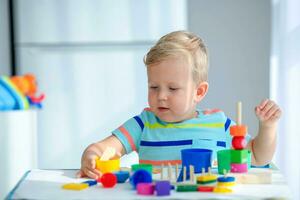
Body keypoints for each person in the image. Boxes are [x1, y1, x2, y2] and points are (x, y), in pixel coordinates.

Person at [77, 31, 281, 179]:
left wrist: (268, 127)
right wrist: (91, 155)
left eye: (173, 89)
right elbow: (106, 148)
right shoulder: (143, 124)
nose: (161, 96)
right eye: (154, 86)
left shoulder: (219, 123)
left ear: (198, 92)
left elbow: (256, 155)